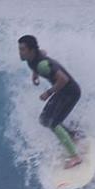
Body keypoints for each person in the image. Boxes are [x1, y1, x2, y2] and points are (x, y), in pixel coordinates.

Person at [17, 34, 83, 165]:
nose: (20, 52)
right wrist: (35, 74)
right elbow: (43, 52)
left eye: (23, 49)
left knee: (53, 123)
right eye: (19, 49)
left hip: (70, 92)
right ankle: (72, 135)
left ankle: (75, 157)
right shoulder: (33, 58)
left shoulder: (43, 65)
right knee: (44, 120)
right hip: (63, 91)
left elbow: (63, 79)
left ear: (31, 50)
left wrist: (48, 92)